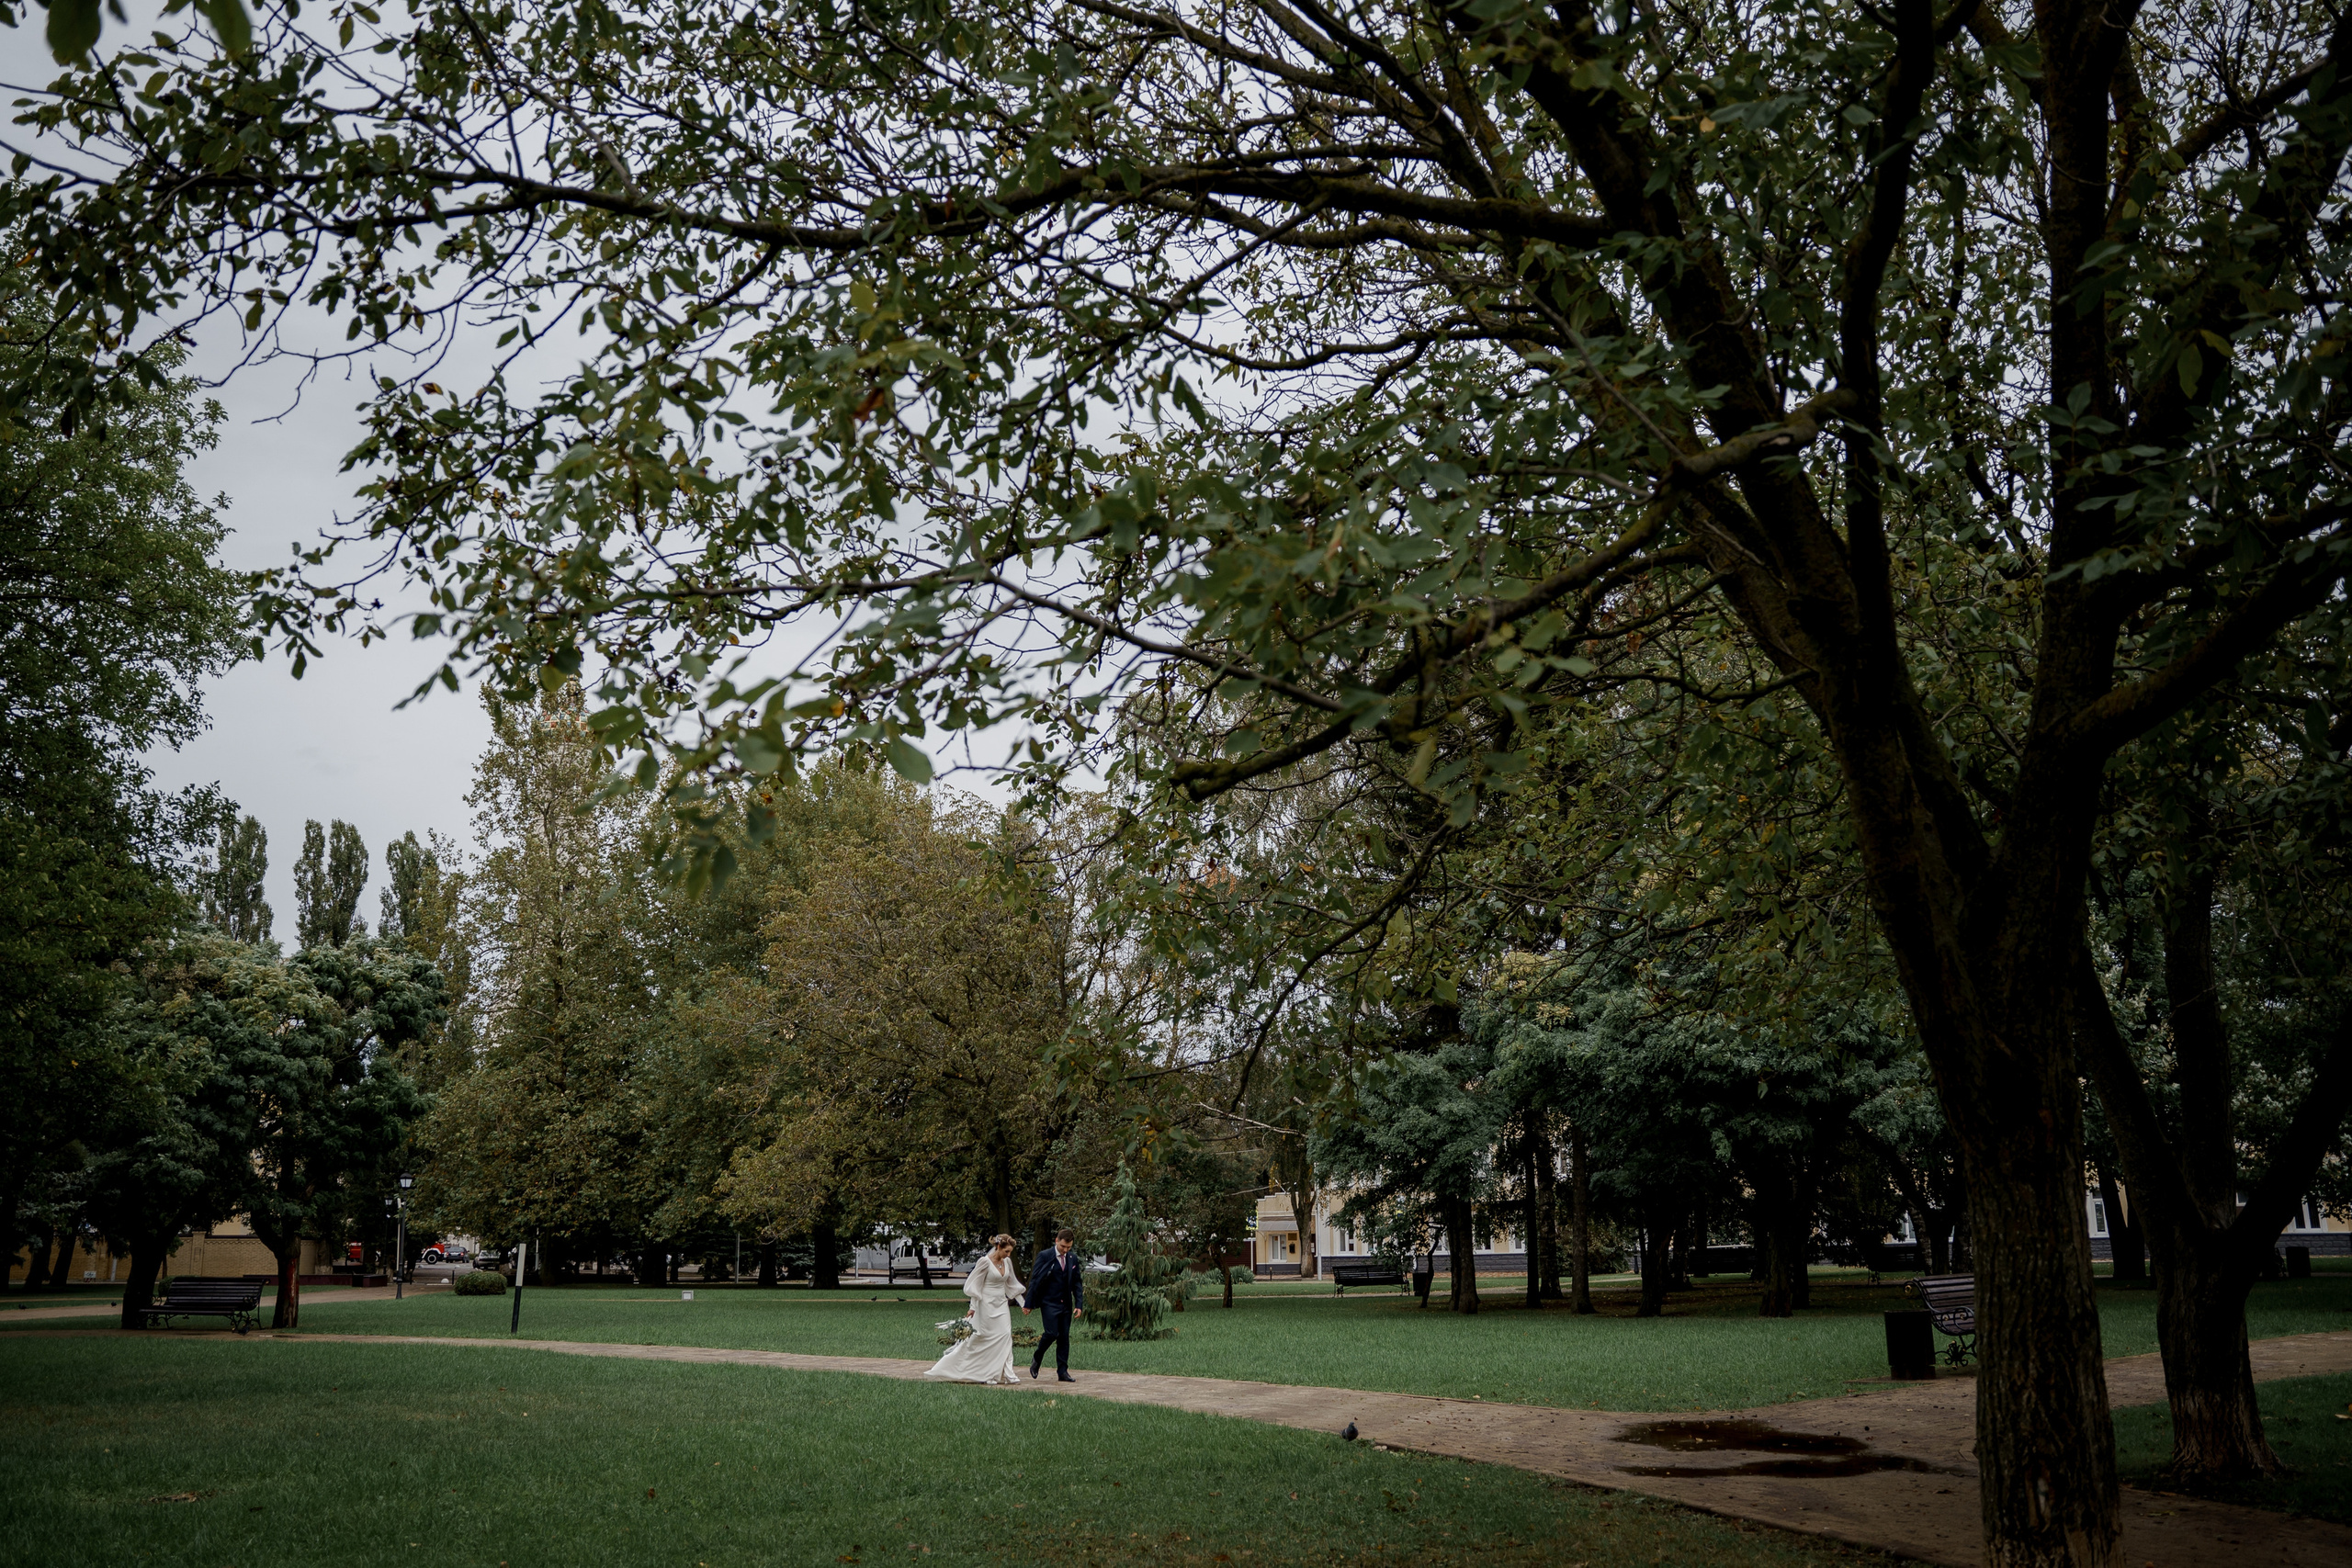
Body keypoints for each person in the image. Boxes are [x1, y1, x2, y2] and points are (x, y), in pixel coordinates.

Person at [923, 1235, 1025, 1384]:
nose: (1008, 1255)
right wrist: (972, 1308)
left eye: (1010, 1252)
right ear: (998, 1247)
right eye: (1007, 1251)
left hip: (1001, 1304)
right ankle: (984, 1373)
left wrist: (1023, 1304)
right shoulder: (984, 1262)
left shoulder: (1007, 1262)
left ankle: (1008, 1373)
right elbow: (975, 1286)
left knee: (1005, 1336)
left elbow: (1012, 1285)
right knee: (982, 1338)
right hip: (986, 1305)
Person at [1023, 1228, 1085, 1382]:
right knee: (1051, 1333)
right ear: (1056, 1241)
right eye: (1063, 1246)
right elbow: (1035, 1279)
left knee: (1064, 1337)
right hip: (1049, 1302)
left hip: (1066, 1305)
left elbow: (1077, 1282)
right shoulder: (1045, 1256)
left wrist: (1079, 1304)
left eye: (1069, 1247)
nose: (1065, 1250)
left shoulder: (1072, 1258)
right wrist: (1028, 1303)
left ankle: (1063, 1372)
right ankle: (1037, 1358)